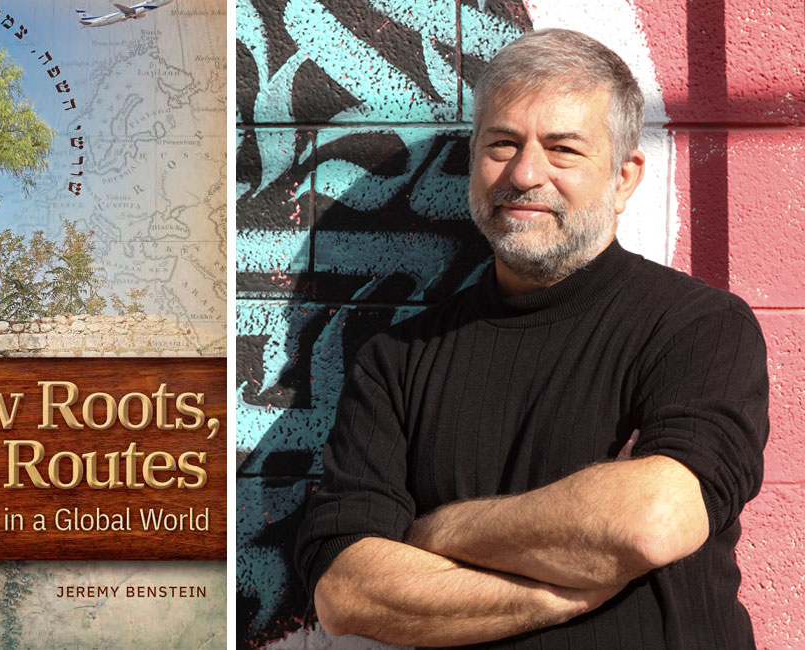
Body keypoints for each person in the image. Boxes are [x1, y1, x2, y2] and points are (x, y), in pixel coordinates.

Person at [295, 28, 768, 649]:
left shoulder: (699, 328)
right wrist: (559, 590)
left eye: (563, 149)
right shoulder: (398, 360)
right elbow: (347, 590)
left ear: (624, 178)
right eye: (502, 143)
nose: (524, 173)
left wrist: (432, 532)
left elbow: (652, 520)